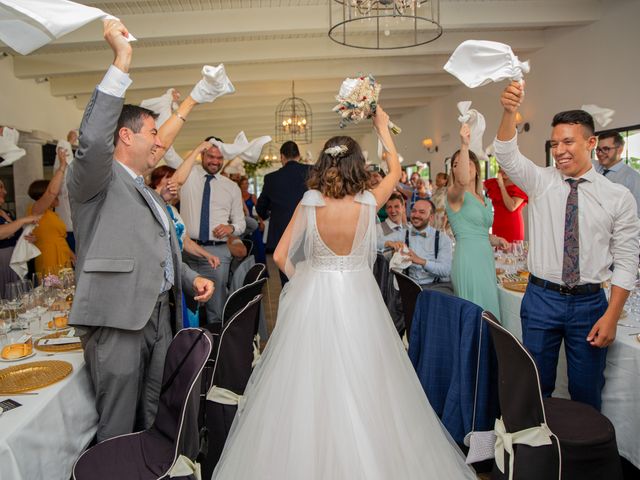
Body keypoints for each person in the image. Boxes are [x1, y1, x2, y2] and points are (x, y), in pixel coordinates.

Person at [211, 108, 477, 479]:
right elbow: (397, 171)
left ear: (322, 164)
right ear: (357, 165)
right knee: (369, 379)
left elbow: (283, 256)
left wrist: (308, 279)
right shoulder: (370, 202)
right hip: (359, 298)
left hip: (314, 298)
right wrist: (382, 128)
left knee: (308, 382)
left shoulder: (311, 202)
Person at [67, 19, 214, 442]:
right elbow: (94, 141)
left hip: (158, 316)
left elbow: (160, 249)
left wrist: (189, 278)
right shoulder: (96, 179)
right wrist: (122, 60)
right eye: (152, 134)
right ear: (125, 135)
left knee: (152, 416)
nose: (158, 144)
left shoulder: (146, 191)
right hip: (118, 319)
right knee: (117, 425)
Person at [495, 80, 640, 410]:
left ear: (590, 143)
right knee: (536, 383)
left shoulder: (618, 196)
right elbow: (505, 153)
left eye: (568, 142)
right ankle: (539, 452)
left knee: (587, 390)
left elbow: (628, 260)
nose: (559, 150)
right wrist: (509, 111)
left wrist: (612, 315)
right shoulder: (540, 182)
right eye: (554, 142)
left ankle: (582, 457)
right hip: (541, 298)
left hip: (590, 303)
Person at [164, 135, 246, 325]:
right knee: (186, 306)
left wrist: (230, 227)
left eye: (219, 158)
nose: (215, 162)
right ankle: (190, 347)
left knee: (215, 308)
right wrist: (198, 148)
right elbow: (168, 153)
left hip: (217, 254)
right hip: (187, 251)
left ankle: (214, 349)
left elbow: (241, 224)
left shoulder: (231, 187)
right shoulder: (188, 174)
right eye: (211, 156)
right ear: (202, 155)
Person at [446, 124, 507, 317]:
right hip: (468, 260)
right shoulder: (454, 196)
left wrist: (496, 240)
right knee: (474, 312)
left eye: (466, 162)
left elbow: (479, 232)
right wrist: (464, 146)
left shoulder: (485, 200)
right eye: (455, 165)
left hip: (486, 259)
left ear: (477, 168)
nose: (461, 167)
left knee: (490, 309)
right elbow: (462, 180)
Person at [256, 140, 310, 285]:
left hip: (282, 235)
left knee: (288, 281)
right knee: (311, 278)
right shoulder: (312, 171)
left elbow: (260, 207)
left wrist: (269, 216)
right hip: (309, 232)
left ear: (282, 157)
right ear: (299, 156)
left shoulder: (271, 178)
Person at [27, 152, 74, 275]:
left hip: (63, 258)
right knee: (51, 291)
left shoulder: (52, 214)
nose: (58, 193)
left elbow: (60, 238)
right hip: (48, 261)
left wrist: (72, 255)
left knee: (65, 290)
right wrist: (62, 166)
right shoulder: (36, 210)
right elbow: (51, 192)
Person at [404, 199, 453, 293]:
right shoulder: (403, 234)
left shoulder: (443, 239)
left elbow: (446, 270)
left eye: (421, 212)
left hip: (435, 288)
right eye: (414, 211)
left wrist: (422, 262)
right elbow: (378, 241)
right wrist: (390, 244)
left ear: (431, 217)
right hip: (410, 287)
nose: (416, 215)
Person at [0, 180, 40, 296]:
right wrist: (22, 220)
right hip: (2, 264)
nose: (5, 191)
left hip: (13, 260)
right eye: (1, 187)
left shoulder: (6, 212)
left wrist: (28, 239)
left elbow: (14, 235)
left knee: (17, 299)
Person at [595, 131, 640, 214]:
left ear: (620, 150)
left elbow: (636, 213)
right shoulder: (594, 167)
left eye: (606, 149)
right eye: (598, 149)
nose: (600, 153)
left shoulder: (633, 178)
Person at [484, 168, 528, 242]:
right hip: (497, 225)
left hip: (513, 227)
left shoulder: (520, 186)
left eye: (506, 167)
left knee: (513, 251)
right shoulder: (493, 183)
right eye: (501, 167)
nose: (502, 170)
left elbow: (511, 207)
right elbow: (474, 187)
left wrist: (501, 186)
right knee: (498, 251)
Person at [238, 176, 266, 264]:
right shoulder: (237, 195)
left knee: (257, 246)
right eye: (243, 184)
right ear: (240, 185)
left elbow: (258, 210)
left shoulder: (252, 196)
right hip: (241, 223)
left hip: (251, 223)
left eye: (247, 183)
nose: (245, 185)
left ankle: (259, 266)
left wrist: (261, 222)